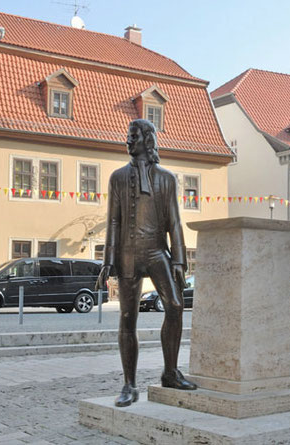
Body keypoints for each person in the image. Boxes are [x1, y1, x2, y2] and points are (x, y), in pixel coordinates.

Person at [96, 119, 197, 407]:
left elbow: (175, 221)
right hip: (128, 254)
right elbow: (113, 220)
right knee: (127, 318)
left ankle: (170, 372)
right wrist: (108, 259)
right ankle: (129, 384)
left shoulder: (166, 178)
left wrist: (179, 258)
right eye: (128, 137)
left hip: (156, 252)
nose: (127, 141)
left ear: (147, 139)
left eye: (132, 136)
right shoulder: (117, 177)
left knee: (176, 306)